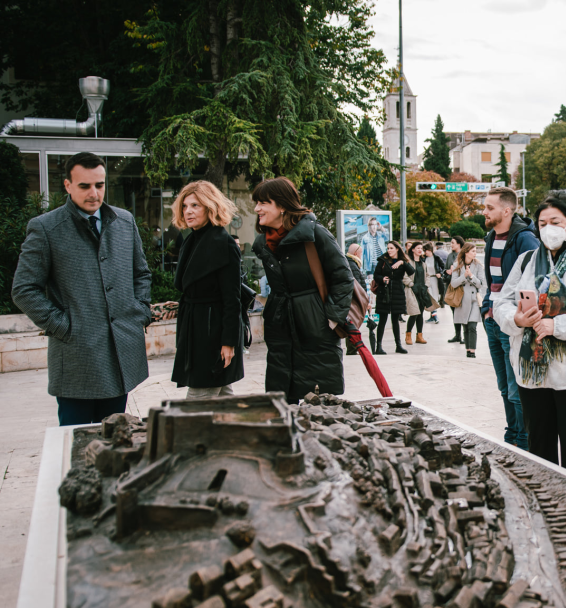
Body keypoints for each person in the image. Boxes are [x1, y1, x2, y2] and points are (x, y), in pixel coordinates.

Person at [13, 152, 152, 425]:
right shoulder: (45, 228)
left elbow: (141, 274)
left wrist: (140, 312)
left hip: (121, 354)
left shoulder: (124, 221)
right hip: (78, 358)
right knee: (76, 446)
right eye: (84, 186)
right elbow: (23, 289)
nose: (94, 193)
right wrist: (65, 326)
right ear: (67, 185)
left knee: (116, 440)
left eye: (99, 185)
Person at [494, 191, 566, 473]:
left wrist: (556, 326)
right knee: (539, 452)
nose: (548, 229)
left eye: (554, 221)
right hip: (533, 377)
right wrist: (518, 319)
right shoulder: (526, 261)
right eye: (542, 223)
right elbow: (501, 303)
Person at [251, 177, 353, 404]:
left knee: (319, 404)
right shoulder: (264, 243)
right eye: (256, 202)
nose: (257, 208)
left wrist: (333, 317)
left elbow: (344, 277)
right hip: (279, 326)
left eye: (263, 202)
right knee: (282, 400)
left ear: (283, 205)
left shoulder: (315, 234)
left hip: (315, 325)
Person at [170, 181, 245, 398]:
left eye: (195, 205)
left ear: (209, 208)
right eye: (185, 206)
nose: (188, 211)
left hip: (213, 330)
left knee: (199, 398)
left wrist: (229, 341)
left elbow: (232, 298)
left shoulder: (224, 243)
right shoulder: (191, 239)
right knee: (222, 395)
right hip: (196, 326)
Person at [481, 187, 540, 449]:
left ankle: (524, 443)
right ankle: (511, 437)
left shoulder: (525, 240)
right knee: (504, 387)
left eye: (489, 207)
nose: (484, 211)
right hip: (492, 321)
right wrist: (486, 308)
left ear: (506, 210)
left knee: (517, 391)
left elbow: (535, 282)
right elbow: (492, 282)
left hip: (513, 324)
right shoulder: (491, 237)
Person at [373, 241, 414, 354]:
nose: (389, 250)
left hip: (397, 292)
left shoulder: (402, 261)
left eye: (391, 248)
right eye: (388, 248)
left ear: (397, 249)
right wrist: (382, 279)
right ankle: (379, 347)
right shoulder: (382, 260)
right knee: (382, 320)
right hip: (384, 292)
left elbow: (411, 271)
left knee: (395, 319)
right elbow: (376, 275)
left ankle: (398, 345)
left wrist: (402, 262)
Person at [451, 243, 484, 358]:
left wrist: (471, 276)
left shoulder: (478, 265)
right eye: (473, 251)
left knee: (472, 326)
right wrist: (464, 276)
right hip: (462, 300)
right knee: (465, 325)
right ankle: (468, 349)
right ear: (466, 252)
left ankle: (472, 351)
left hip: (474, 300)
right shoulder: (457, 265)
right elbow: (453, 283)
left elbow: (480, 284)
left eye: (475, 251)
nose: (475, 253)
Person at [403, 241, 432, 345]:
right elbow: (404, 276)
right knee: (414, 313)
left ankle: (419, 336)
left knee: (420, 314)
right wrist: (411, 284)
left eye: (421, 249)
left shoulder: (423, 263)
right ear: (413, 250)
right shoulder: (408, 262)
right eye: (418, 248)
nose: (420, 250)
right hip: (412, 291)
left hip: (422, 291)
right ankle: (408, 335)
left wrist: (426, 285)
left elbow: (427, 275)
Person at [443, 236, 465, 343]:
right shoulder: (450, 256)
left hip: (463, 287)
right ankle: (457, 335)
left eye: (452, 243)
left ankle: (465, 336)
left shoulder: (464, 255)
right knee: (454, 312)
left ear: (459, 244)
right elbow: (445, 268)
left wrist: (455, 270)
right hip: (452, 287)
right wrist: (447, 271)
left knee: (463, 312)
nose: (451, 245)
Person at [422, 242, 443, 324]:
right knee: (429, 298)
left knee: (435, 298)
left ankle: (434, 316)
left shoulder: (437, 258)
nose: (424, 252)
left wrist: (440, 273)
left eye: (425, 250)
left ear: (430, 250)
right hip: (427, 280)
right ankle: (434, 316)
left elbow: (443, 267)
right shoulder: (424, 259)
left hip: (435, 280)